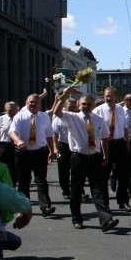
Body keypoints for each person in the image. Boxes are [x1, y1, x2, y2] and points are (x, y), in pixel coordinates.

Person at [52, 88, 119, 232]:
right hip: (78, 158)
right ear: (78, 105)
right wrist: (64, 95)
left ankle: (106, 220)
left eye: (89, 104)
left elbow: (105, 138)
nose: (86, 107)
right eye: (83, 104)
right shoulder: (72, 117)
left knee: (98, 190)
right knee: (76, 189)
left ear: (93, 106)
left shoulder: (98, 119)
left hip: (94, 157)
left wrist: (105, 155)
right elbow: (57, 112)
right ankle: (77, 218)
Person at [8, 94, 56, 217]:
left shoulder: (44, 117)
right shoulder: (20, 116)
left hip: (40, 152)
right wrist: (18, 141)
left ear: (40, 104)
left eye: (36, 102)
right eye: (31, 102)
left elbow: (49, 135)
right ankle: (24, 208)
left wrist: (52, 150)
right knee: (23, 181)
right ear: (26, 102)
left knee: (41, 180)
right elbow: (12, 132)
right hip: (23, 152)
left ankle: (45, 207)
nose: (33, 104)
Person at [93, 87, 131, 210]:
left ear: (116, 96)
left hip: (120, 144)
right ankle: (105, 204)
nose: (108, 98)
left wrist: (127, 141)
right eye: (106, 96)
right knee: (104, 176)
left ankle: (123, 201)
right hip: (105, 144)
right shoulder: (98, 110)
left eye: (111, 95)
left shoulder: (121, 110)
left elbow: (124, 127)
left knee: (124, 175)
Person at [52, 98, 78, 200]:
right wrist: (55, 148)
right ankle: (66, 191)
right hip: (63, 145)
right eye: (69, 106)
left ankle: (77, 190)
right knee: (63, 170)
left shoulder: (77, 117)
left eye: (73, 106)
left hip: (75, 146)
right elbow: (54, 134)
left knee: (76, 170)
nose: (71, 108)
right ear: (65, 106)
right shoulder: (58, 118)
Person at [0, 102, 18, 186]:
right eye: (10, 110)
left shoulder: (19, 119)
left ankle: (13, 187)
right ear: (5, 110)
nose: (12, 112)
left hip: (16, 146)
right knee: (4, 168)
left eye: (14, 110)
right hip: (3, 147)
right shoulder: (0, 119)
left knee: (15, 169)